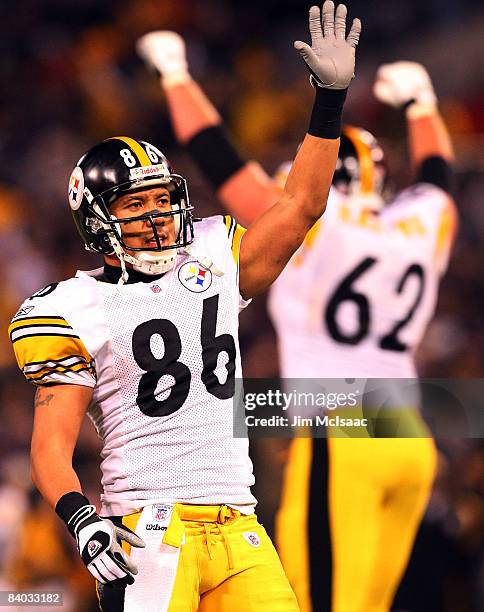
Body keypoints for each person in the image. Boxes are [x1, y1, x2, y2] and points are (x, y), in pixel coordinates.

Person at [8, 3, 361, 611]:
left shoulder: (215, 256)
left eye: (161, 201)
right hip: (148, 529)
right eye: (133, 207)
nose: (156, 218)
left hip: (240, 524)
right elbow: (50, 449)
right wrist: (83, 521)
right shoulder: (70, 307)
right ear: (96, 223)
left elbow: (301, 206)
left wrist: (328, 103)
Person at [136, 28, 457, 612]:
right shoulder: (418, 224)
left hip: (345, 433)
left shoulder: (316, 219)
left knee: (320, 601)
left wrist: (175, 75)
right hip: (412, 435)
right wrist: (423, 104)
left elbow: (216, 156)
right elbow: (439, 178)